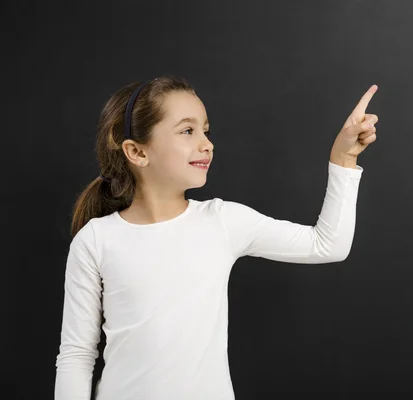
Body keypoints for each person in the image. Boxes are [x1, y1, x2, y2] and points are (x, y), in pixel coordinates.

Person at [54, 76, 379, 399]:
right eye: (187, 131)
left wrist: (344, 159)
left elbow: (327, 245)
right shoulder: (96, 241)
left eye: (206, 131)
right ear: (137, 151)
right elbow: (77, 355)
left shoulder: (223, 221)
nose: (206, 144)